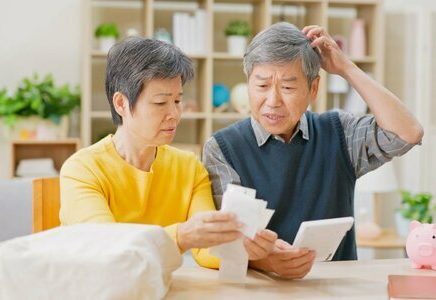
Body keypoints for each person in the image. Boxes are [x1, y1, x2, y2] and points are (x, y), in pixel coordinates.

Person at [203, 22, 423, 278]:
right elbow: (231, 240)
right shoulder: (222, 148)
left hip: (337, 290)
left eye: (287, 87)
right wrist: (270, 262)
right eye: (261, 86)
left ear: (313, 89)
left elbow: (409, 132)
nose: (272, 101)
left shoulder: (339, 132)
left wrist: (346, 68)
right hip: (262, 291)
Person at [60, 37, 277, 268]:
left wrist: (247, 248)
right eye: (160, 103)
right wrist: (181, 236)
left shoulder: (188, 167)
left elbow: (206, 250)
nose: (174, 114)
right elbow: (108, 251)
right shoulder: (83, 169)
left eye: (177, 100)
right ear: (121, 103)